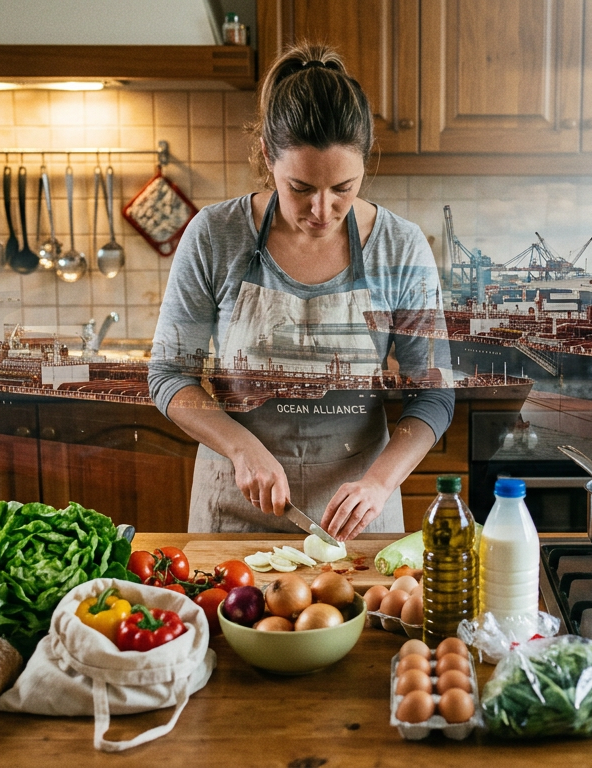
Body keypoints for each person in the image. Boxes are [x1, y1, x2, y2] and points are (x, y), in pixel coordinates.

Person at [149, 43, 454, 541]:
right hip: (234, 514)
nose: (321, 209)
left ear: (364, 164)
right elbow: (168, 375)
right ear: (268, 156)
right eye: (300, 187)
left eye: (343, 188)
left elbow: (433, 393)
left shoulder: (400, 245)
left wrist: (379, 482)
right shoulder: (214, 235)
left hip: (359, 522)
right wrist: (241, 448)